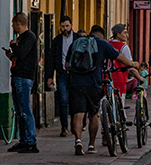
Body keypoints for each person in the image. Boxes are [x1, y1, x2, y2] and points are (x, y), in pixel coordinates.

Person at [68, 25, 139, 156]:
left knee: (79, 113)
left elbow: (67, 65)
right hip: (94, 83)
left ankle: (78, 140)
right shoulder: (102, 44)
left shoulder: (76, 43)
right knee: (93, 114)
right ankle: (91, 144)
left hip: (76, 83)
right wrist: (132, 64)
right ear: (101, 35)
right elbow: (119, 58)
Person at [5, 12, 39, 153]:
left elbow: (23, 53)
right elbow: (20, 56)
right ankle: (23, 140)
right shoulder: (22, 38)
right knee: (20, 111)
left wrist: (14, 46)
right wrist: (11, 56)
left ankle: (31, 141)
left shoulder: (29, 37)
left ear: (19, 23)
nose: (12, 26)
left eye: (13, 23)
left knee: (25, 109)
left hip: (24, 77)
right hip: (18, 75)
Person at [46, 15, 74, 137]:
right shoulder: (57, 40)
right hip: (61, 73)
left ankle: (76, 125)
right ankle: (64, 127)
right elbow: (51, 60)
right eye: (63, 26)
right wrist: (50, 76)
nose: (65, 28)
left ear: (71, 26)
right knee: (63, 99)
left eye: (67, 26)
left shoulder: (77, 39)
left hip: (75, 73)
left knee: (74, 100)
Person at [108, 24, 143, 107]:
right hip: (119, 78)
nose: (127, 35)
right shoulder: (123, 47)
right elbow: (130, 67)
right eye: (125, 33)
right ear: (118, 35)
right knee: (120, 106)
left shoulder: (107, 44)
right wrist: (139, 77)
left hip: (106, 77)